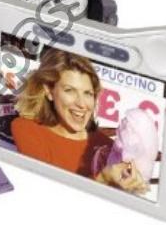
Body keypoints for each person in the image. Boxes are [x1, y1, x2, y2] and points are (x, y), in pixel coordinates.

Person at [11, 48, 148, 194]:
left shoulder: (108, 148)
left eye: (88, 93)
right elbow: (48, 193)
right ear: (49, 91)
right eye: (69, 90)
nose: (82, 104)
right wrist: (103, 179)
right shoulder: (27, 129)